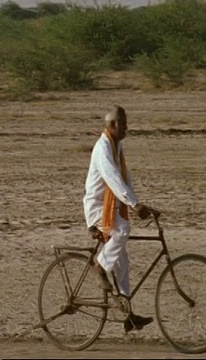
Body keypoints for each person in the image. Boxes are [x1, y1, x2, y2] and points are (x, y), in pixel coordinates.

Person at [83, 105, 155, 334]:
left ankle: (128, 315)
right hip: (98, 209)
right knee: (123, 229)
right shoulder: (103, 148)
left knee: (123, 263)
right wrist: (133, 204)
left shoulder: (117, 146)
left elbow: (125, 179)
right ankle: (100, 265)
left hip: (111, 207)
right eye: (123, 123)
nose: (127, 127)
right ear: (112, 125)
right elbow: (113, 179)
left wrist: (138, 203)